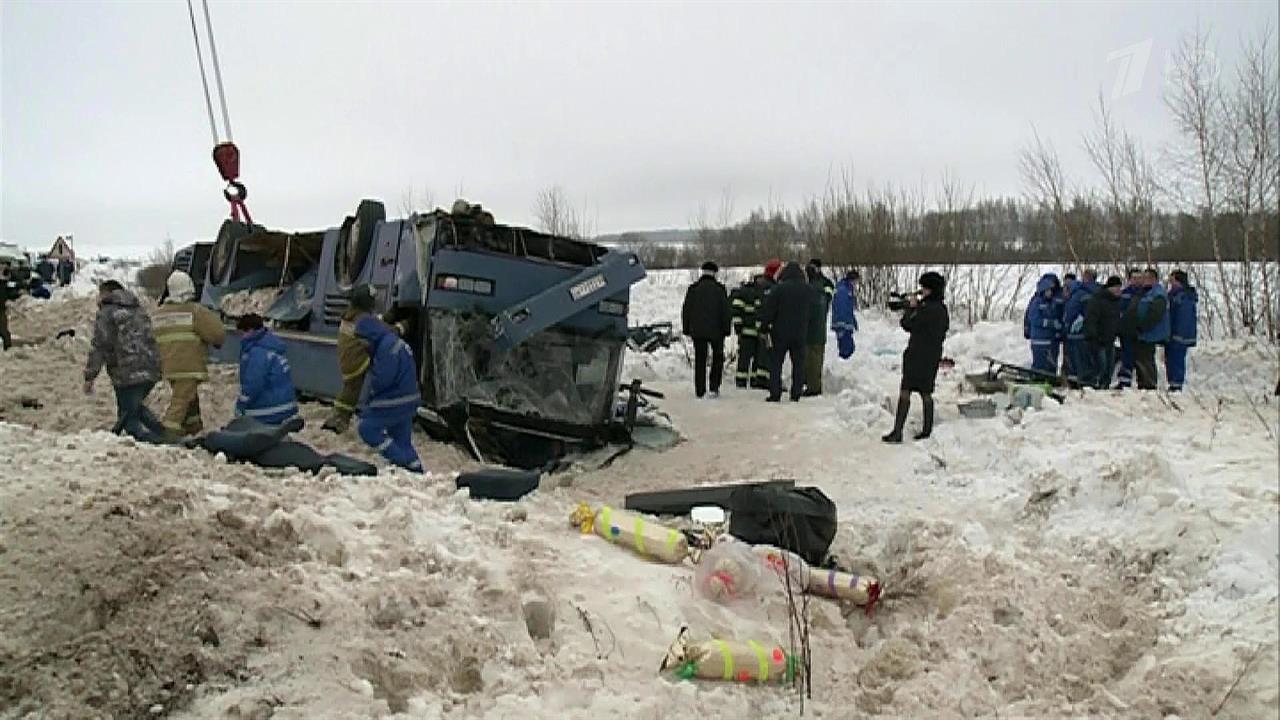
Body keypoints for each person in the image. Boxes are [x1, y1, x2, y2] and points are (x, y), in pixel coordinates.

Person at [83, 280, 167, 442]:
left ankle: (159, 443)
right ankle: (164, 434)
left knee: (129, 419)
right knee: (133, 408)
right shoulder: (138, 309)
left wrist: (90, 376)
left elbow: (100, 344)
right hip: (151, 367)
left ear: (106, 293)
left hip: (127, 372)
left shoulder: (107, 312)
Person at [151, 271, 226, 435]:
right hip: (189, 366)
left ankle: (194, 428)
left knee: (189, 398)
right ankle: (168, 434)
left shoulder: (158, 314)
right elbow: (218, 333)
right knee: (180, 401)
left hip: (167, 366)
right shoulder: (195, 311)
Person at [883, 272, 949, 443]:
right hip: (933, 355)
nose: (922, 291)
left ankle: (898, 431)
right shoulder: (941, 309)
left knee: (906, 391)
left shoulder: (926, 309)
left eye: (925, 288)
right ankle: (927, 430)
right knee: (926, 392)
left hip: (917, 354)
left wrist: (911, 308)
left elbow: (907, 324)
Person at [354, 312, 424, 472]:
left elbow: (382, 380)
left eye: (361, 340)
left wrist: (368, 402)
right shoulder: (391, 342)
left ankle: (400, 460)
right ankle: (417, 471)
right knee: (402, 439)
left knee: (367, 428)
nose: (361, 345)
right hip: (408, 399)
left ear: (369, 335)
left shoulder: (386, 348)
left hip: (395, 400)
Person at [323, 285, 377, 433]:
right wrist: (402, 325)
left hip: (349, 357)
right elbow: (381, 330)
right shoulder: (362, 319)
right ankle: (339, 418)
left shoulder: (351, 316)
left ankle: (338, 417)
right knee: (352, 390)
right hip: (357, 359)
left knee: (350, 388)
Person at [759, 261, 816, 403]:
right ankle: (796, 393)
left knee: (776, 363)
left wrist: (764, 327)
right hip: (800, 333)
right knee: (798, 364)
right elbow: (814, 312)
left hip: (780, 333)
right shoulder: (808, 290)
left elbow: (769, 310)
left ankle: (775, 392)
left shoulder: (779, 289)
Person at [234, 314, 300, 424]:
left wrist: (241, 405)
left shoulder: (257, 352)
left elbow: (253, 383)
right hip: (286, 405)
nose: (241, 338)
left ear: (250, 331)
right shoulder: (271, 346)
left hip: (269, 409)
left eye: (242, 333)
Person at [681, 261, 732, 399]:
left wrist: (686, 328)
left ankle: (700, 389)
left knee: (700, 359)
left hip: (698, 331)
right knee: (717, 358)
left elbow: (686, 310)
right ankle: (714, 386)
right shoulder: (720, 290)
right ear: (715, 273)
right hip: (717, 331)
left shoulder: (693, 289)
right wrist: (727, 329)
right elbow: (725, 311)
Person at [1121, 267, 1170, 390]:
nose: (1142, 281)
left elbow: (1154, 314)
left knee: (1146, 359)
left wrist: (1142, 326)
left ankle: (1149, 383)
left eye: (1145, 278)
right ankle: (1143, 382)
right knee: (1141, 358)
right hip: (1142, 333)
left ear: (1153, 279)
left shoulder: (1158, 294)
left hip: (1150, 333)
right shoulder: (1145, 292)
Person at [1083, 275, 1123, 389]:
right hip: (1099, 340)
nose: (1118, 290)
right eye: (1116, 288)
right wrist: (1092, 336)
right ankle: (1096, 385)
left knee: (1109, 367)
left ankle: (1105, 385)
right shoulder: (1097, 300)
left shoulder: (1116, 302)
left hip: (1110, 340)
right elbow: (1091, 319)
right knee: (1101, 366)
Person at [803, 259, 835, 396]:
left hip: (813, 328)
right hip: (817, 327)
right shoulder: (821, 285)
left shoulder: (817, 286)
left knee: (813, 358)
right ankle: (811, 383)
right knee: (813, 358)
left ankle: (813, 386)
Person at [1062, 269, 1099, 387]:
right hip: (1075, 333)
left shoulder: (1082, 293)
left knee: (1081, 359)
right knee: (1075, 360)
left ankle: (1085, 382)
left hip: (1080, 333)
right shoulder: (1080, 292)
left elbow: (1084, 310)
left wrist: (1081, 319)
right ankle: (1077, 381)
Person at [728, 273, 766, 388]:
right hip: (747, 332)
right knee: (744, 358)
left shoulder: (761, 293)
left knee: (757, 359)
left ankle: (753, 380)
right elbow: (736, 311)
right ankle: (741, 380)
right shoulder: (745, 293)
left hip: (757, 333)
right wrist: (738, 329)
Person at [751, 259, 783, 389]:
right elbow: (768, 308)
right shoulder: (769, 288)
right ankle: (763, 379)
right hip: (766, 325)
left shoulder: (761, 284)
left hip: (759, 323)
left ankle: (756, 378)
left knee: (760, 352)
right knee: (766, 353)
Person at [1165, 270, 1198, 392]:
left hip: (1179, 335)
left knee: (1177, 358)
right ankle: (1173, 382)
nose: (1170, 283)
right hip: (1172, 333)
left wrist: (1178, 334)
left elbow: (1183, 318)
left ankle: (1177, 383)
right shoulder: (1173, 295)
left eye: (1172, 280)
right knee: (1171, 358)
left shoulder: (1183, 297)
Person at [1024, 272, 1063, 375]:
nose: (1050, 293)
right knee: (1040, 365)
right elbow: (1034, 319)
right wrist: (1049, 323)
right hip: (1039, 340)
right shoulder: (1036, 302)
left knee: (1050, 365)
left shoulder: (1051, 303)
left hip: (1049, 340)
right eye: (1049, 290)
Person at [1115, 269, 1143, 388]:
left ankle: (1144, 380)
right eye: (1134, 278)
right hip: (1125, 330)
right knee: (1127, 355)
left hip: (1140, 330)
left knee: (1142, 357)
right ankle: (1125, 380)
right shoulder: (1124, 294)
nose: (1136, 280)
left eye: (1139, 278)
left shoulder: (1145, 293)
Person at [831, 269, 859, 360]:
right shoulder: (843, 290)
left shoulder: (847, 289)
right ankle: (842, 366)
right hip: (843, 324)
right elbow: (841, 308)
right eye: (856, 281)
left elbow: (849, 309)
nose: (856, 284)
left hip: (846, 324)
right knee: (847, 349)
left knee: (849, 348)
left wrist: (853, 322)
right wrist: (842, 325)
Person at [0, 268, 21, 350]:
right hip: (1, 309)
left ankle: (7, 348)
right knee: (3, 330)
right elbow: (10, 294)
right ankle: (7, 348)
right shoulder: (4, 284)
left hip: (1, 309)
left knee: (3, 330)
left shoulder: (4, 284)